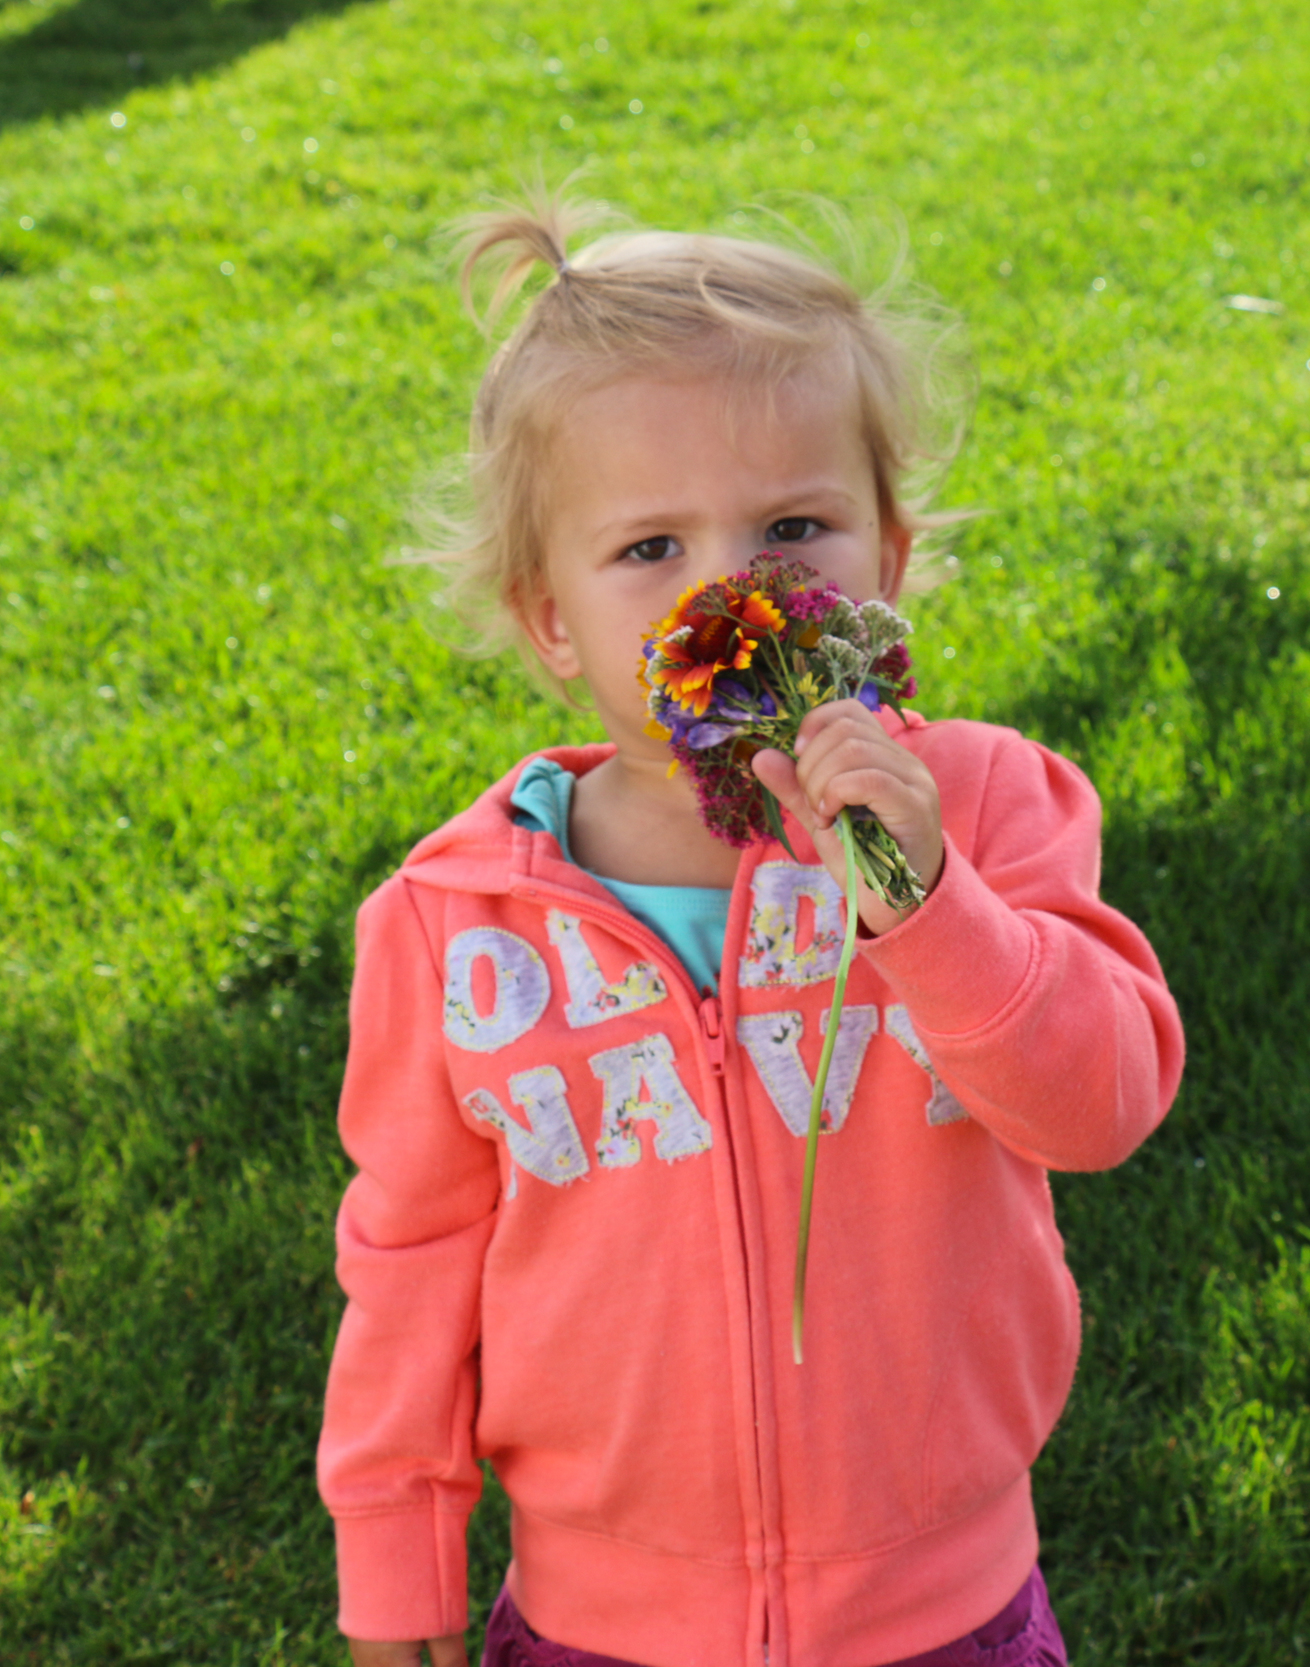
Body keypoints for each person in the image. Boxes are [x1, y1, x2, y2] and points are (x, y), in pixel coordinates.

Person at [318, 186, 1185, 1667]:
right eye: (650, 548)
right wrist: (396, 1559)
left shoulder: (982, 808)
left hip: (940, 1607)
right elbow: (410, 1257)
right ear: (550, 620)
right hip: (602, 1618)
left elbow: (1098, 1104)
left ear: (889, 557)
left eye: (795, 526)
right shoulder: (461, 925)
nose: (736, 588)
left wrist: (921, 899)